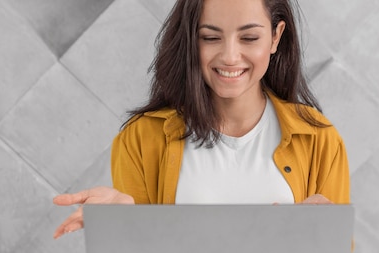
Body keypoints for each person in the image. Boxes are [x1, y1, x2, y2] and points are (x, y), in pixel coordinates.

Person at [53, 0, 350, 239]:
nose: (230, 56)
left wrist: (323, 235)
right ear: (190, 40)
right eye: (210, 37)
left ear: (276, 37)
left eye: (249, 37)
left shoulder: (319, 139)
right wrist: (121, 226)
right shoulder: (141, 138)